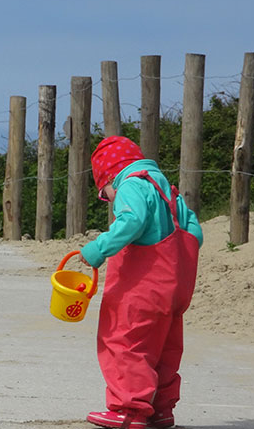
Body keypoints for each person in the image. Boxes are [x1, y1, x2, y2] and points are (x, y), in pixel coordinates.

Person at [79, 136, 203, 429]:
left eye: (105, 194)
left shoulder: (130, 185)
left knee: (126, 341)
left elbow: (131, 221)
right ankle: (161, 408)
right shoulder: (168, 191)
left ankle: (130, 409)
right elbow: (195, 231)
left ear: (110, 176)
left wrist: (98, 249)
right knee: (165, 347)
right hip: (174, 289)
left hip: (142, 290)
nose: (108, 199)